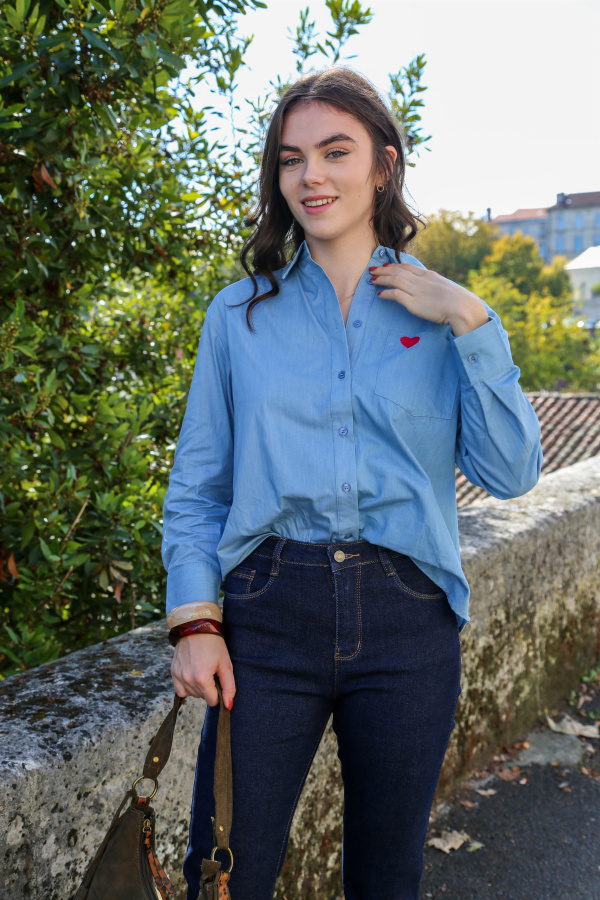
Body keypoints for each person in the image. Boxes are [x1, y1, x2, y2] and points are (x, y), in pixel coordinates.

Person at [161, 66, 543, 900]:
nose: (312, 176)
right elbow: (198, 486)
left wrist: (473, 320)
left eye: (336, 152)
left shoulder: (443, 316)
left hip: (409, 618)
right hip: (266, 619)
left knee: (387, 878)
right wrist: (195, 618)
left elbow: (511, 473)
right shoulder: (237, 316)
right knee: (222, 870)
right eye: (292, 159)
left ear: (383, 164)